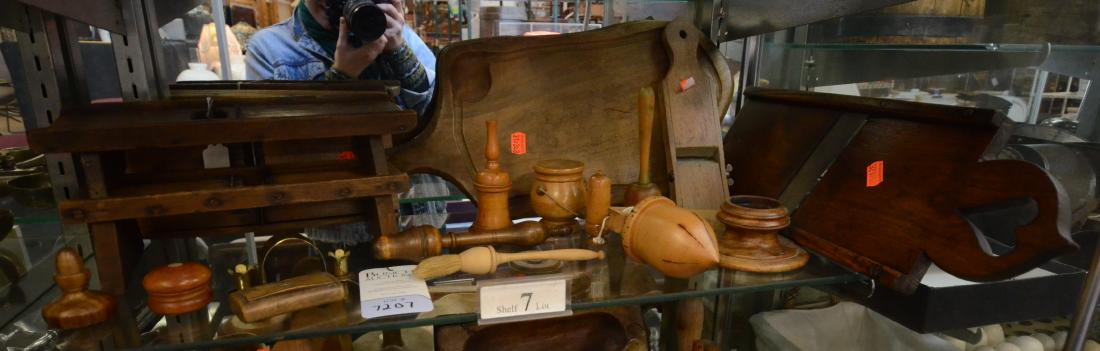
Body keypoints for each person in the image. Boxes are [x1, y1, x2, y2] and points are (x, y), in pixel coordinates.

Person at [246, 0, 436, 117]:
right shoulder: (269, 47)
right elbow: (277, 140)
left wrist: (398, 51)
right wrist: (342, 76)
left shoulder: (396, 33)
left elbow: (439, 117)